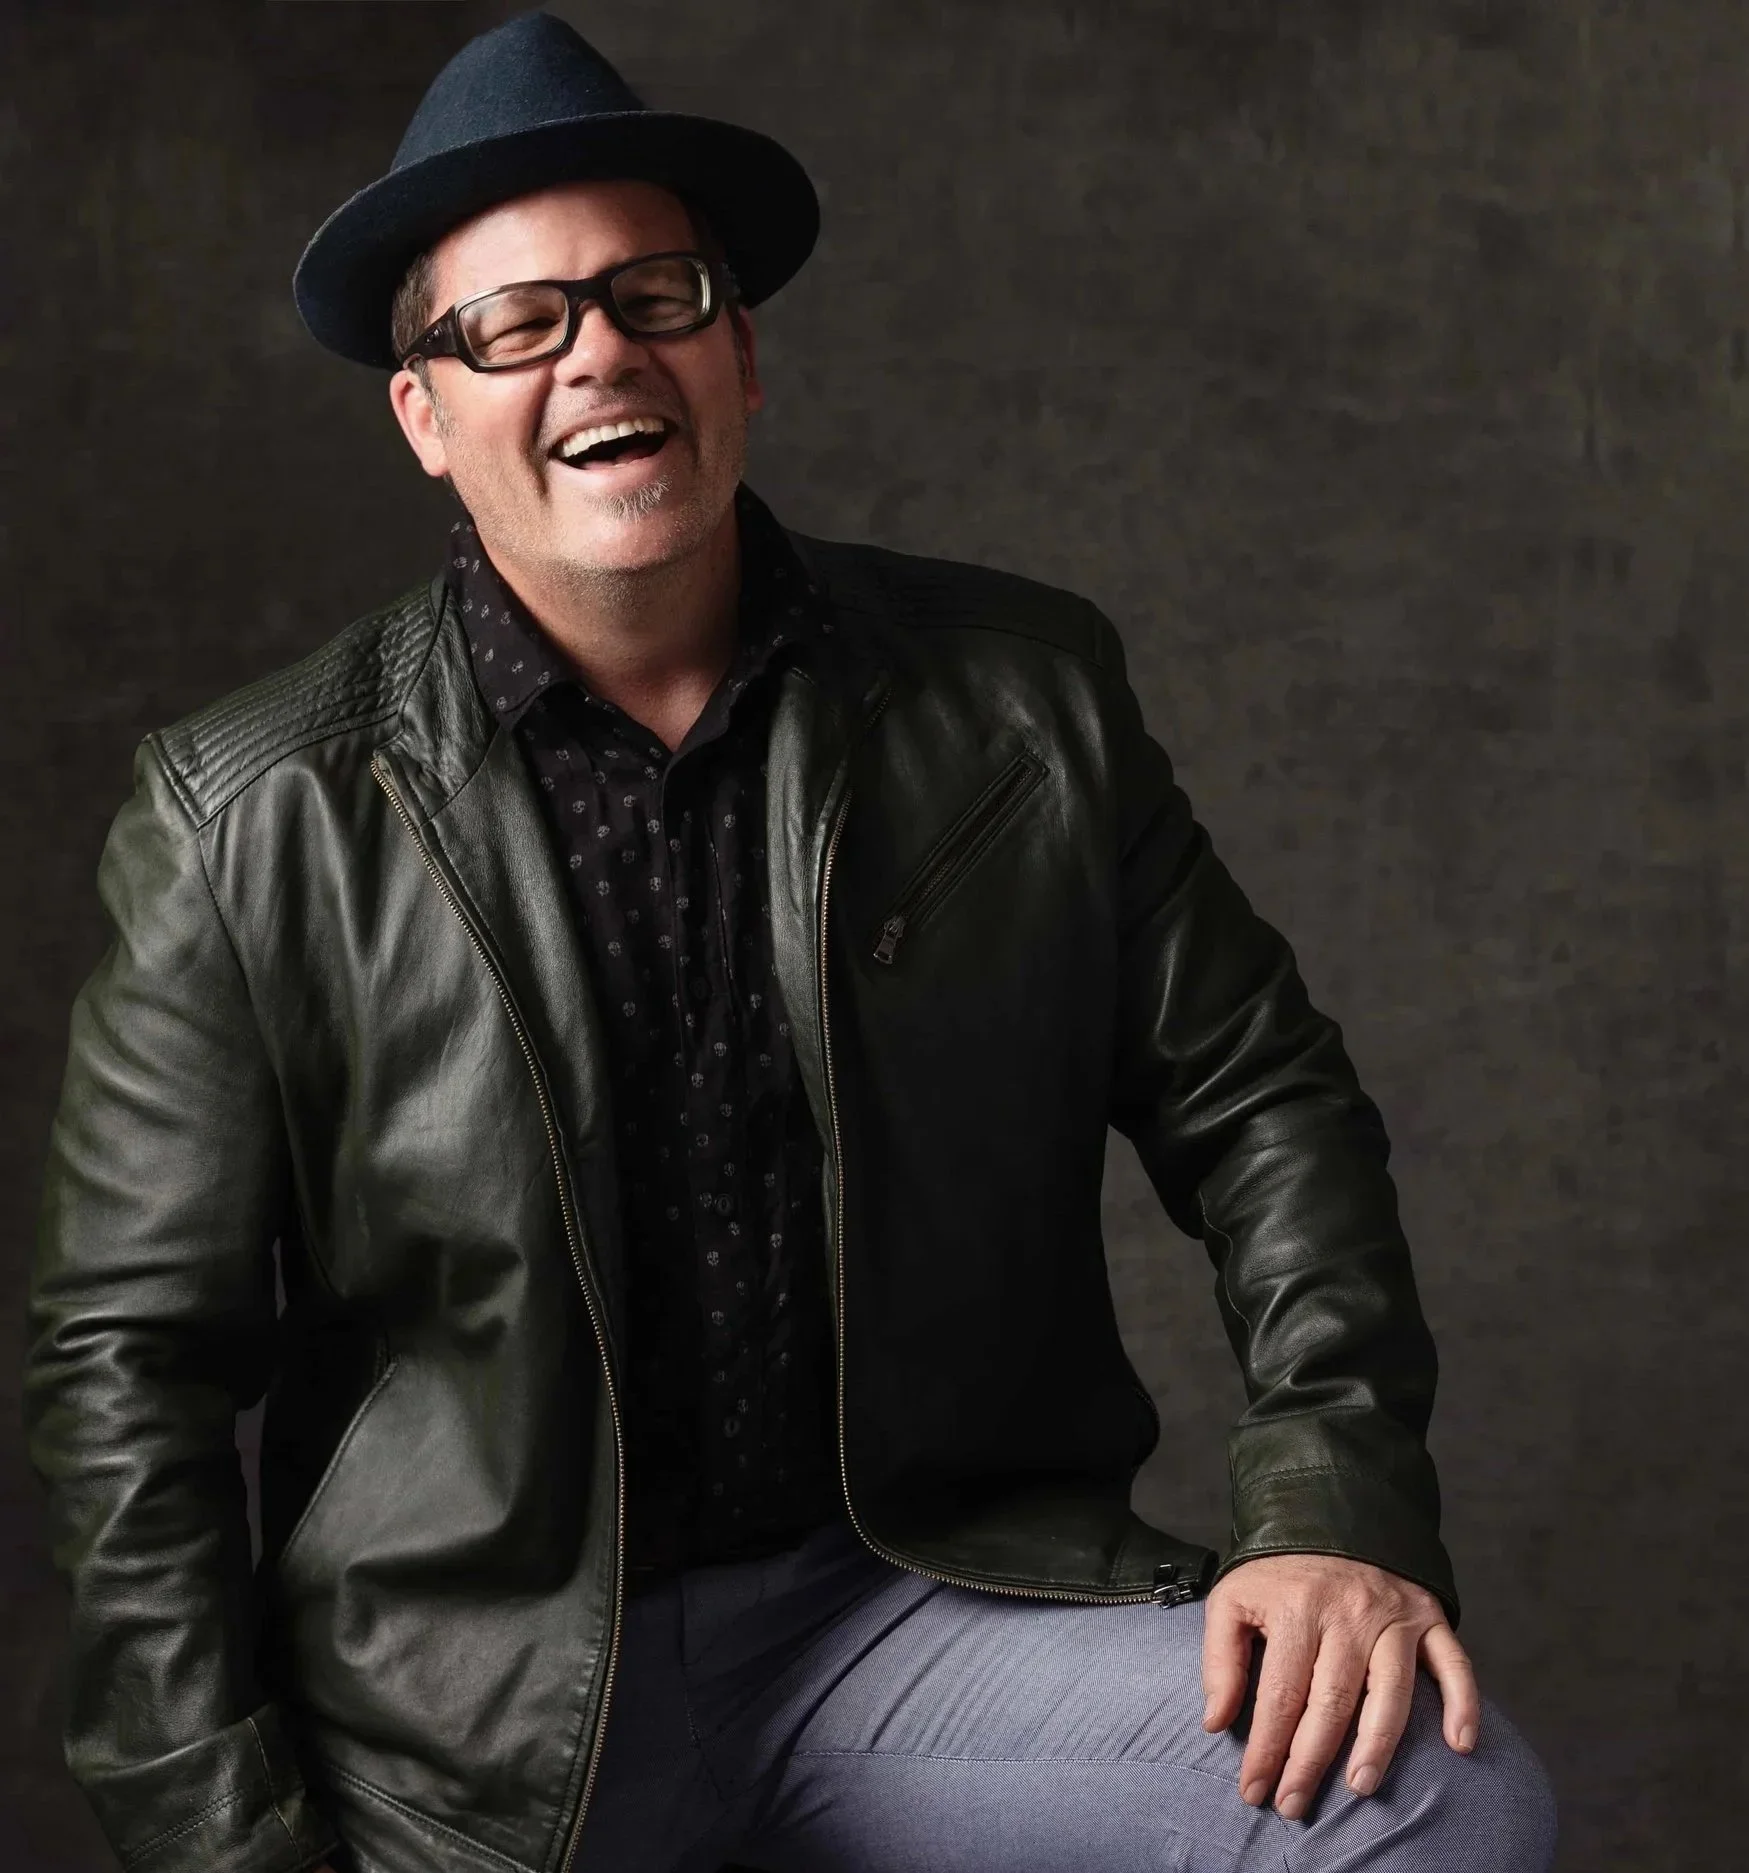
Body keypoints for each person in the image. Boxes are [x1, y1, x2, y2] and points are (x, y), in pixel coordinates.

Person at [24, 13, 1557, 1873]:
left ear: (738, 350)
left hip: (905, 1621)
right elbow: (129, 1379)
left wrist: (1337, 1497)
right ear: (426, 417)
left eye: (653, 291)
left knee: (1427, 1806)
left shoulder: (1019, 699)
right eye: (516, 322)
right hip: (468, 1729)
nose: (599, 349)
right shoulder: (248, 814)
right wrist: (230, 1845)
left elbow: (1263, 1098)